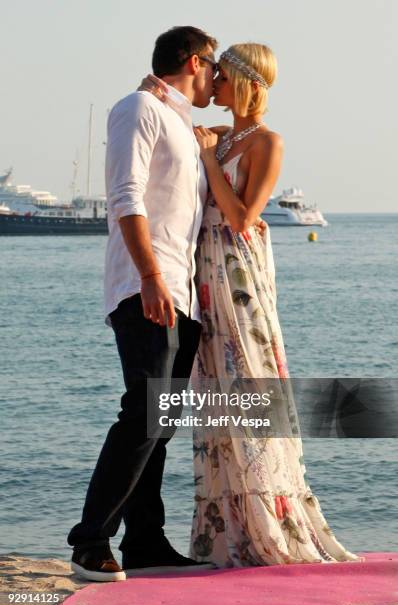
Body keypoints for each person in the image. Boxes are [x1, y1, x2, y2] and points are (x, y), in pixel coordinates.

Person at [144, 42, 366, 567]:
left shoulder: (267, 142)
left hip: (236, 266)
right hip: (202, 269)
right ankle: (226, 525)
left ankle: (270, 515)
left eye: (221, 75)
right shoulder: (221, 137)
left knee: (250, 374)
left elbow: (243, 216)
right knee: (217, 384)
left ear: (245, 82)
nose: (212, 83)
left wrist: (205, 157)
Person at [67, 25, 219, 582]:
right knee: (143, 416)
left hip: (178, 293)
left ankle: (147, 542)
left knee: (163, 421)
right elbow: (125, 196)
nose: (218, 79)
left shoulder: (173, 118)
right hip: (145, 286)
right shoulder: (138, 107)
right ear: (195, 61)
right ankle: (89, 542)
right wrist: (150, 276)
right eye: (216, 68)